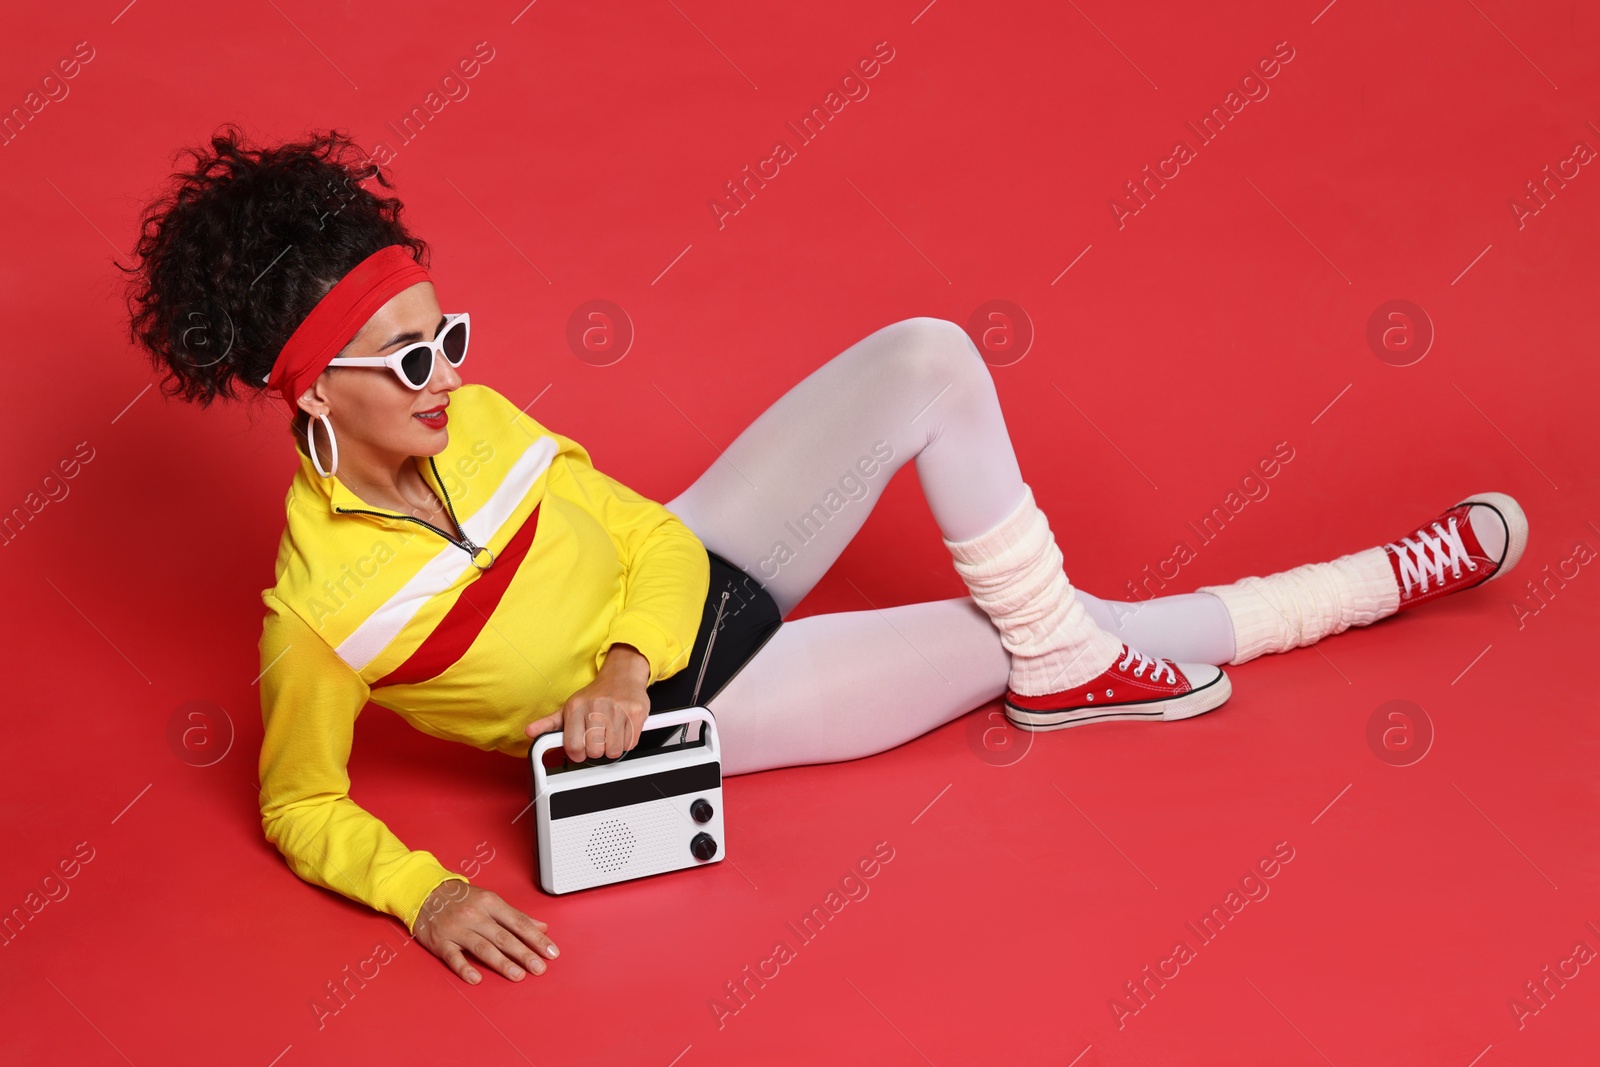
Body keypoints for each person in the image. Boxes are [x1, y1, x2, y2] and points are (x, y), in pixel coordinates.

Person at [119, 125, 1529, 988]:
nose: (448, 377)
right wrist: (426, 895)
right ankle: (1361, 586)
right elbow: (299, 801)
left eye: (452, 337)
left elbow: (652, 536)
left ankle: (1068, 657)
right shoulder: (316, 614)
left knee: (929, 352)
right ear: (312, 389)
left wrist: (618, 651)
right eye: (409, 359)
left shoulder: (477, 425)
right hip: (700, 711)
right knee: (1020, 631)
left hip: (688, 601)